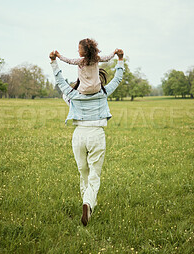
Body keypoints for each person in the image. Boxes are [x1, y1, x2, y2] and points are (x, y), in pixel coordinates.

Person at [49, 49, 124, 226]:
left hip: (79, 135)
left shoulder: (72, 95)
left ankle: (88, 204)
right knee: (94, 174)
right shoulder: (103, 93)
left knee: (83, 172)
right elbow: (118, 79)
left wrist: (53, 61)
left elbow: (60, 81)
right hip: (97, 134)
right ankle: (88, 203)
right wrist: (120, 59)